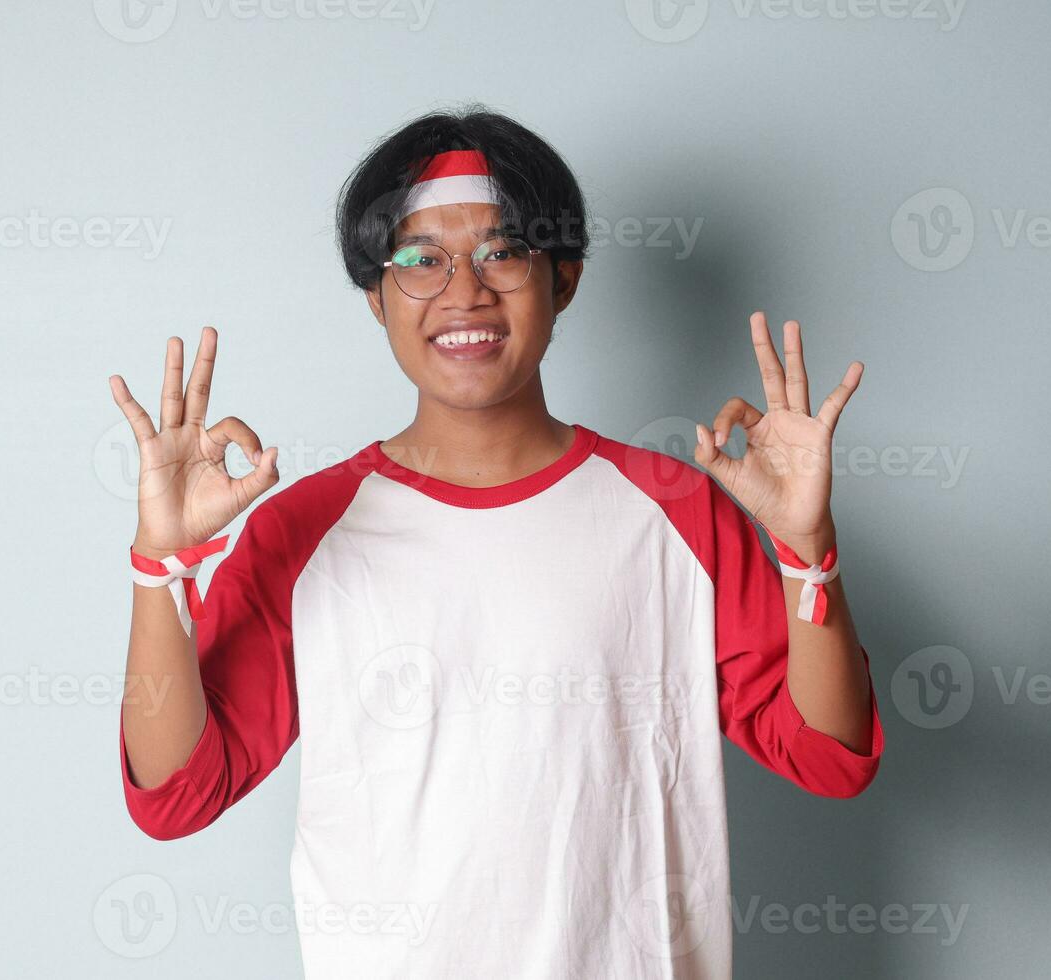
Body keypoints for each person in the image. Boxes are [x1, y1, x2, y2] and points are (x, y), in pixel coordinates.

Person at [107, 106, 884, 979]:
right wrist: (160, 566)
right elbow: (176, 794)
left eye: (502, 252)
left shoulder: (675, 508)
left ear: (564, 279)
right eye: (419, 259)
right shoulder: (305, 531)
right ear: (376, 297)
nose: (464, 291)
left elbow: (829, 755)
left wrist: (804, 546)